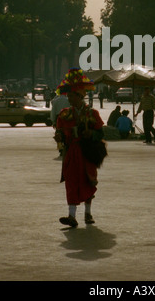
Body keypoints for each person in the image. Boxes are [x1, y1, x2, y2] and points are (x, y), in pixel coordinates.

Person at [53, 68, 107, 228]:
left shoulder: (92, 113)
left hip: (86, 153)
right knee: (70, 182)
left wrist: (91, 133)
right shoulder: (64, 114)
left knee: (88, 181)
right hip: (71, 153)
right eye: (68, 95)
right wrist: (59, 137)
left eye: (71, 96)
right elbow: (60, 133)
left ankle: (88, 213)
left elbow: (101, 133)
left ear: (79, 96)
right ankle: (71, 216)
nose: (68, 98)